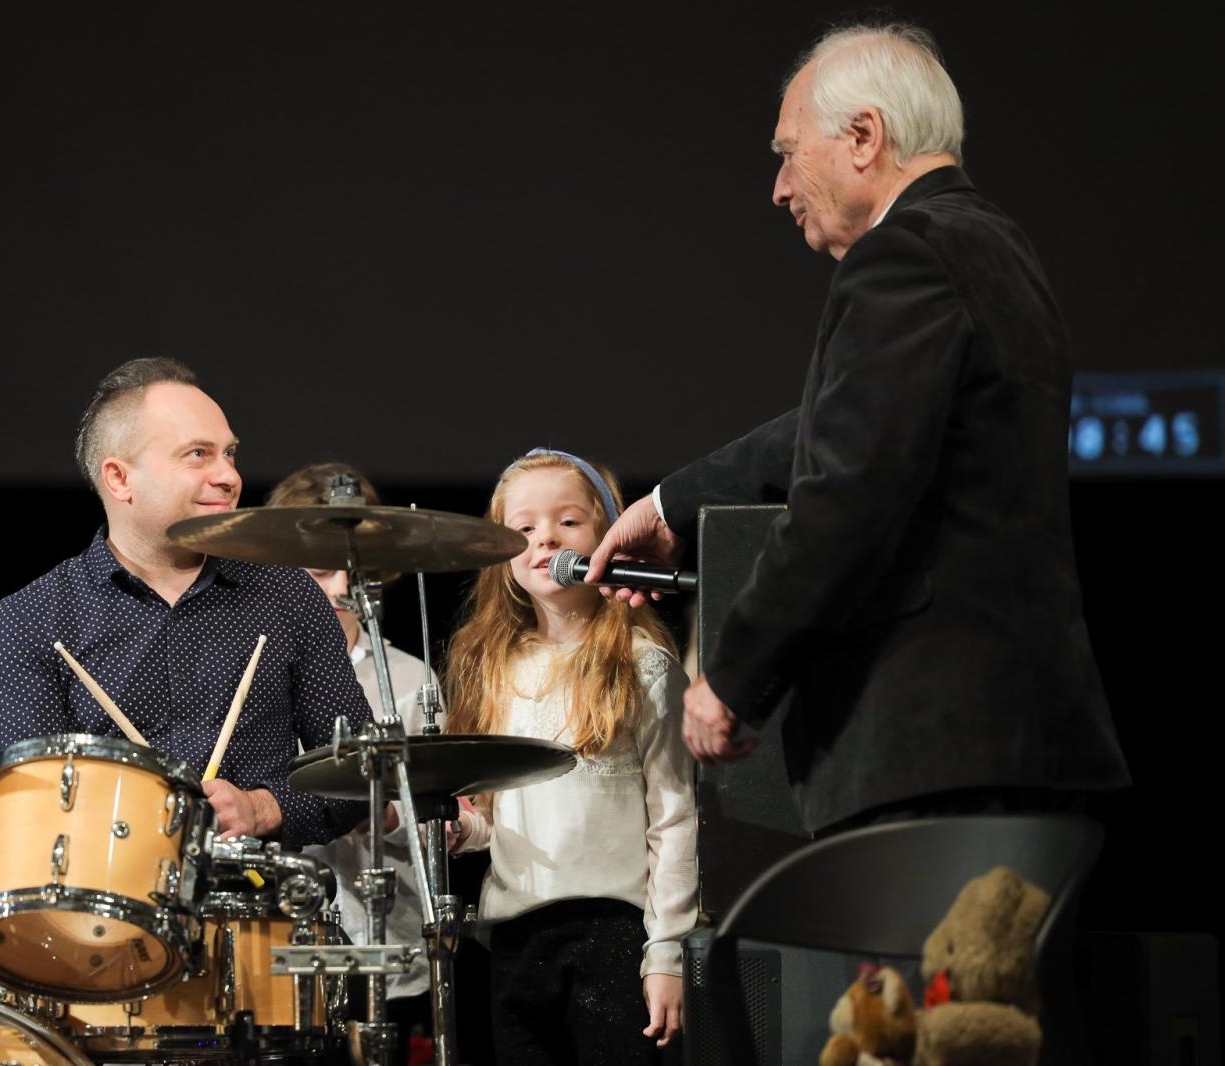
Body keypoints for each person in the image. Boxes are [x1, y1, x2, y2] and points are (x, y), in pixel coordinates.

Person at [590, 22, 1129, 833]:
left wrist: (736, 675)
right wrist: (674, 506)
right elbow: (841, 425)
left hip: (932, 755)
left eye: (787, 151)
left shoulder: (903, 254)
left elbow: (848, 489)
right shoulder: (993, 249)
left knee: (925, 970)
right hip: (1014, 743)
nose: (779, 187)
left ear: (864, 136)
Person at [0, 357, 372, 847]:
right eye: (198, 455)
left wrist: (264, 807)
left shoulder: (287, 595)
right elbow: (22, 807)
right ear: (120, 478)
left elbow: (360, 771)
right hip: (109, 910)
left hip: (266, 908)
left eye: (230, 454)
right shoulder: (31, 620)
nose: (229, 475)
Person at [447, 449, 697, 1062]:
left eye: (567, 522)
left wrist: (665, 953)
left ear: (606, 535)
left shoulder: (642, 665)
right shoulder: (493, 668)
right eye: (523, 528)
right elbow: (496, 820)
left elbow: (676, 817)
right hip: (515, 934)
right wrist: (461, 828)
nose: (544, 541)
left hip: (615, 932)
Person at [266, 462, 437, 1058]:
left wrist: (393, 816)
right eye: (318, 572)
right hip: (281, 939)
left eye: (353, 572)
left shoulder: (411, 680)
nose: (340, 587)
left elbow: (449, 814)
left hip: (390, 941)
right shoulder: (256, 677)